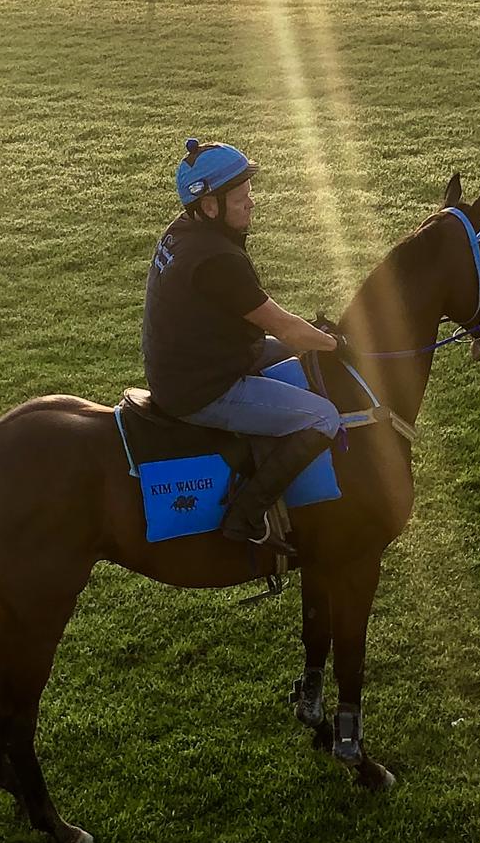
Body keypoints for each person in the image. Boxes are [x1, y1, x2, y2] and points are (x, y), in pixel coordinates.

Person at [141, 139, 344, 550]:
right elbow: (285, 327)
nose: (252, 203)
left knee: (294, 353)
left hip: (195, 359)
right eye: (241, 197)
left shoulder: (184, 230)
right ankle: (247, 516)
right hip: (202, 389)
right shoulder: (219, 262)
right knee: (323, 417)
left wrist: (311, 340)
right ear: (210, 205)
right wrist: (334, 343)